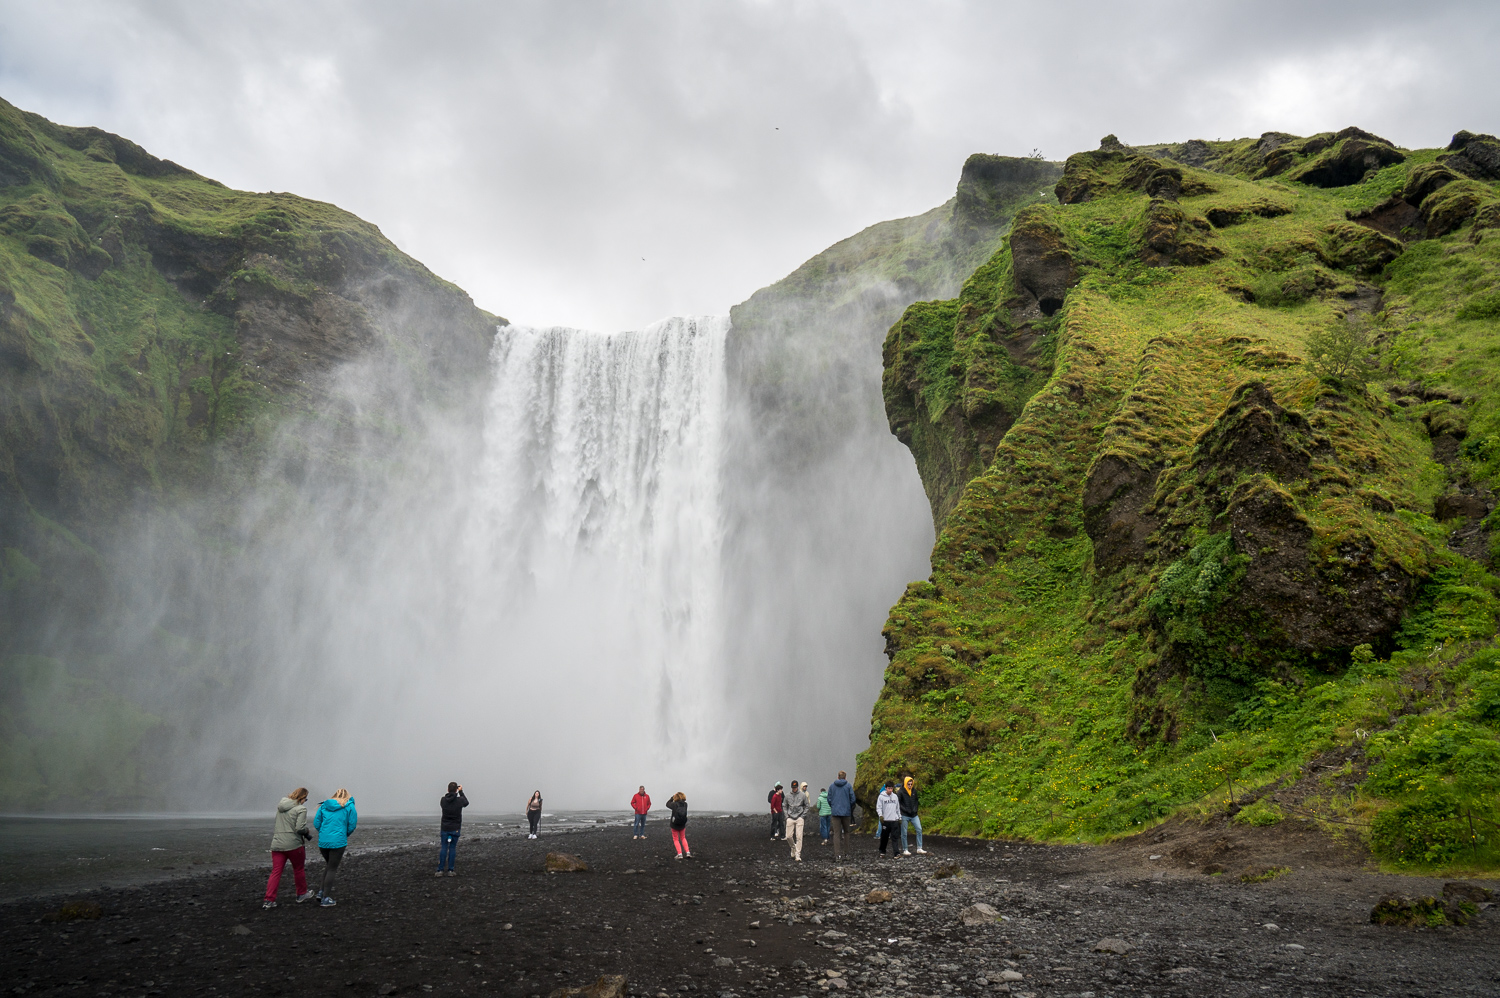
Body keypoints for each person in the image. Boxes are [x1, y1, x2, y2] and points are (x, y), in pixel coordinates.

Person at [262, 787, 315, 909]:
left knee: (276, 871)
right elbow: (299, 828)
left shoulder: (281, 807)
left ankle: (268, 900)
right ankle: (301, 894)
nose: (305, 801)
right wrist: (307, 831)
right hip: (293, 844)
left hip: (277, 844)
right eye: (305, 799)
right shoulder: (301, 809)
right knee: (298, 869)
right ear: (302, 798)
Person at [312, 788, 357, 907]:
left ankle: (321, 893)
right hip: (338, 842)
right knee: (332, 868)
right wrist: (344, 834)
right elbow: (352, 825)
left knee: (329, 866)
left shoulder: (323, 806)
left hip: (323, 842)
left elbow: (317, 823)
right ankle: (326, 898)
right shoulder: (349, 807)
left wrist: (323, 833)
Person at [437, 781, 468, 876]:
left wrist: (455, 793)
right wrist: (461, 792)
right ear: (456, 790)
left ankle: (440, 870)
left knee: (444, 847)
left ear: (447, 789)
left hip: (445, 827)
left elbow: (449, 799)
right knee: (452, 848)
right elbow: (466, 803)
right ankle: (450, 870)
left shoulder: (443, 800)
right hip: (455, 827)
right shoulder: (459, 800)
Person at [827, 771, 856, 862]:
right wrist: (849, 807)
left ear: (838, 777)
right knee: (847, 832)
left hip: (835, 813)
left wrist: (833, 806)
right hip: (846, 813)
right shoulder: (848, 786)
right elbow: (853, 799)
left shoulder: (832, 786)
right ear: (845, 777)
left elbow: (829, 799)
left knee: (836, 833)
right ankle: (846, 854)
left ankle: (837, 855)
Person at [897, 776, 926, 856]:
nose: (910, 785)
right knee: (904, 832)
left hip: (914, 814)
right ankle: (905, 849)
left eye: (911, 784)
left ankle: (919, 848)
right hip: (904, 815)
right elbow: (898, 803)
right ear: (905, 783)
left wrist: (915, 809)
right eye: (908, 784)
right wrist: (905, 810)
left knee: (919, 829)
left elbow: (916, 801)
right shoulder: (900, 792)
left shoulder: (914, 791)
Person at [783, 779, 809, 861]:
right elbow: (784, 805)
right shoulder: (787, 796)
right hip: (790, 817)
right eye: (793, 787)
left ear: (797, 787)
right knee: (788, 836)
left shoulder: (803, 795)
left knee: (799, 837)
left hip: (799, 817)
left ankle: (798, 854)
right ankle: (793, 847)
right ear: (791, 787)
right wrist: (786, 816)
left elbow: (807, 805)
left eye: (795, 787)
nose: (794, 789)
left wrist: (803, 816)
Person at [876, 781, 902, 857]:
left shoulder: (895, 797)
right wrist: (881, 816)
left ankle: (896, 853)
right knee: (884, 837)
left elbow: (897, 808)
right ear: (886, 788)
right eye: (889, 788)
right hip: (886, 820)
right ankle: (882, 851)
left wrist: (899, 817)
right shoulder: (881, 797)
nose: (890, 790)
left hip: (894, 820)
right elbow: (879, 807)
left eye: (891, 788)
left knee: (895, 837)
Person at [667, 791, 691, 859]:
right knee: (683, 838)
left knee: (676, 839)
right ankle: (688, 852)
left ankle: (680, 854)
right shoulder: (685, 804)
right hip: (682, 823)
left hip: (674, 824)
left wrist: (672, 797)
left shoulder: (674, 804)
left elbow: (667, 804)